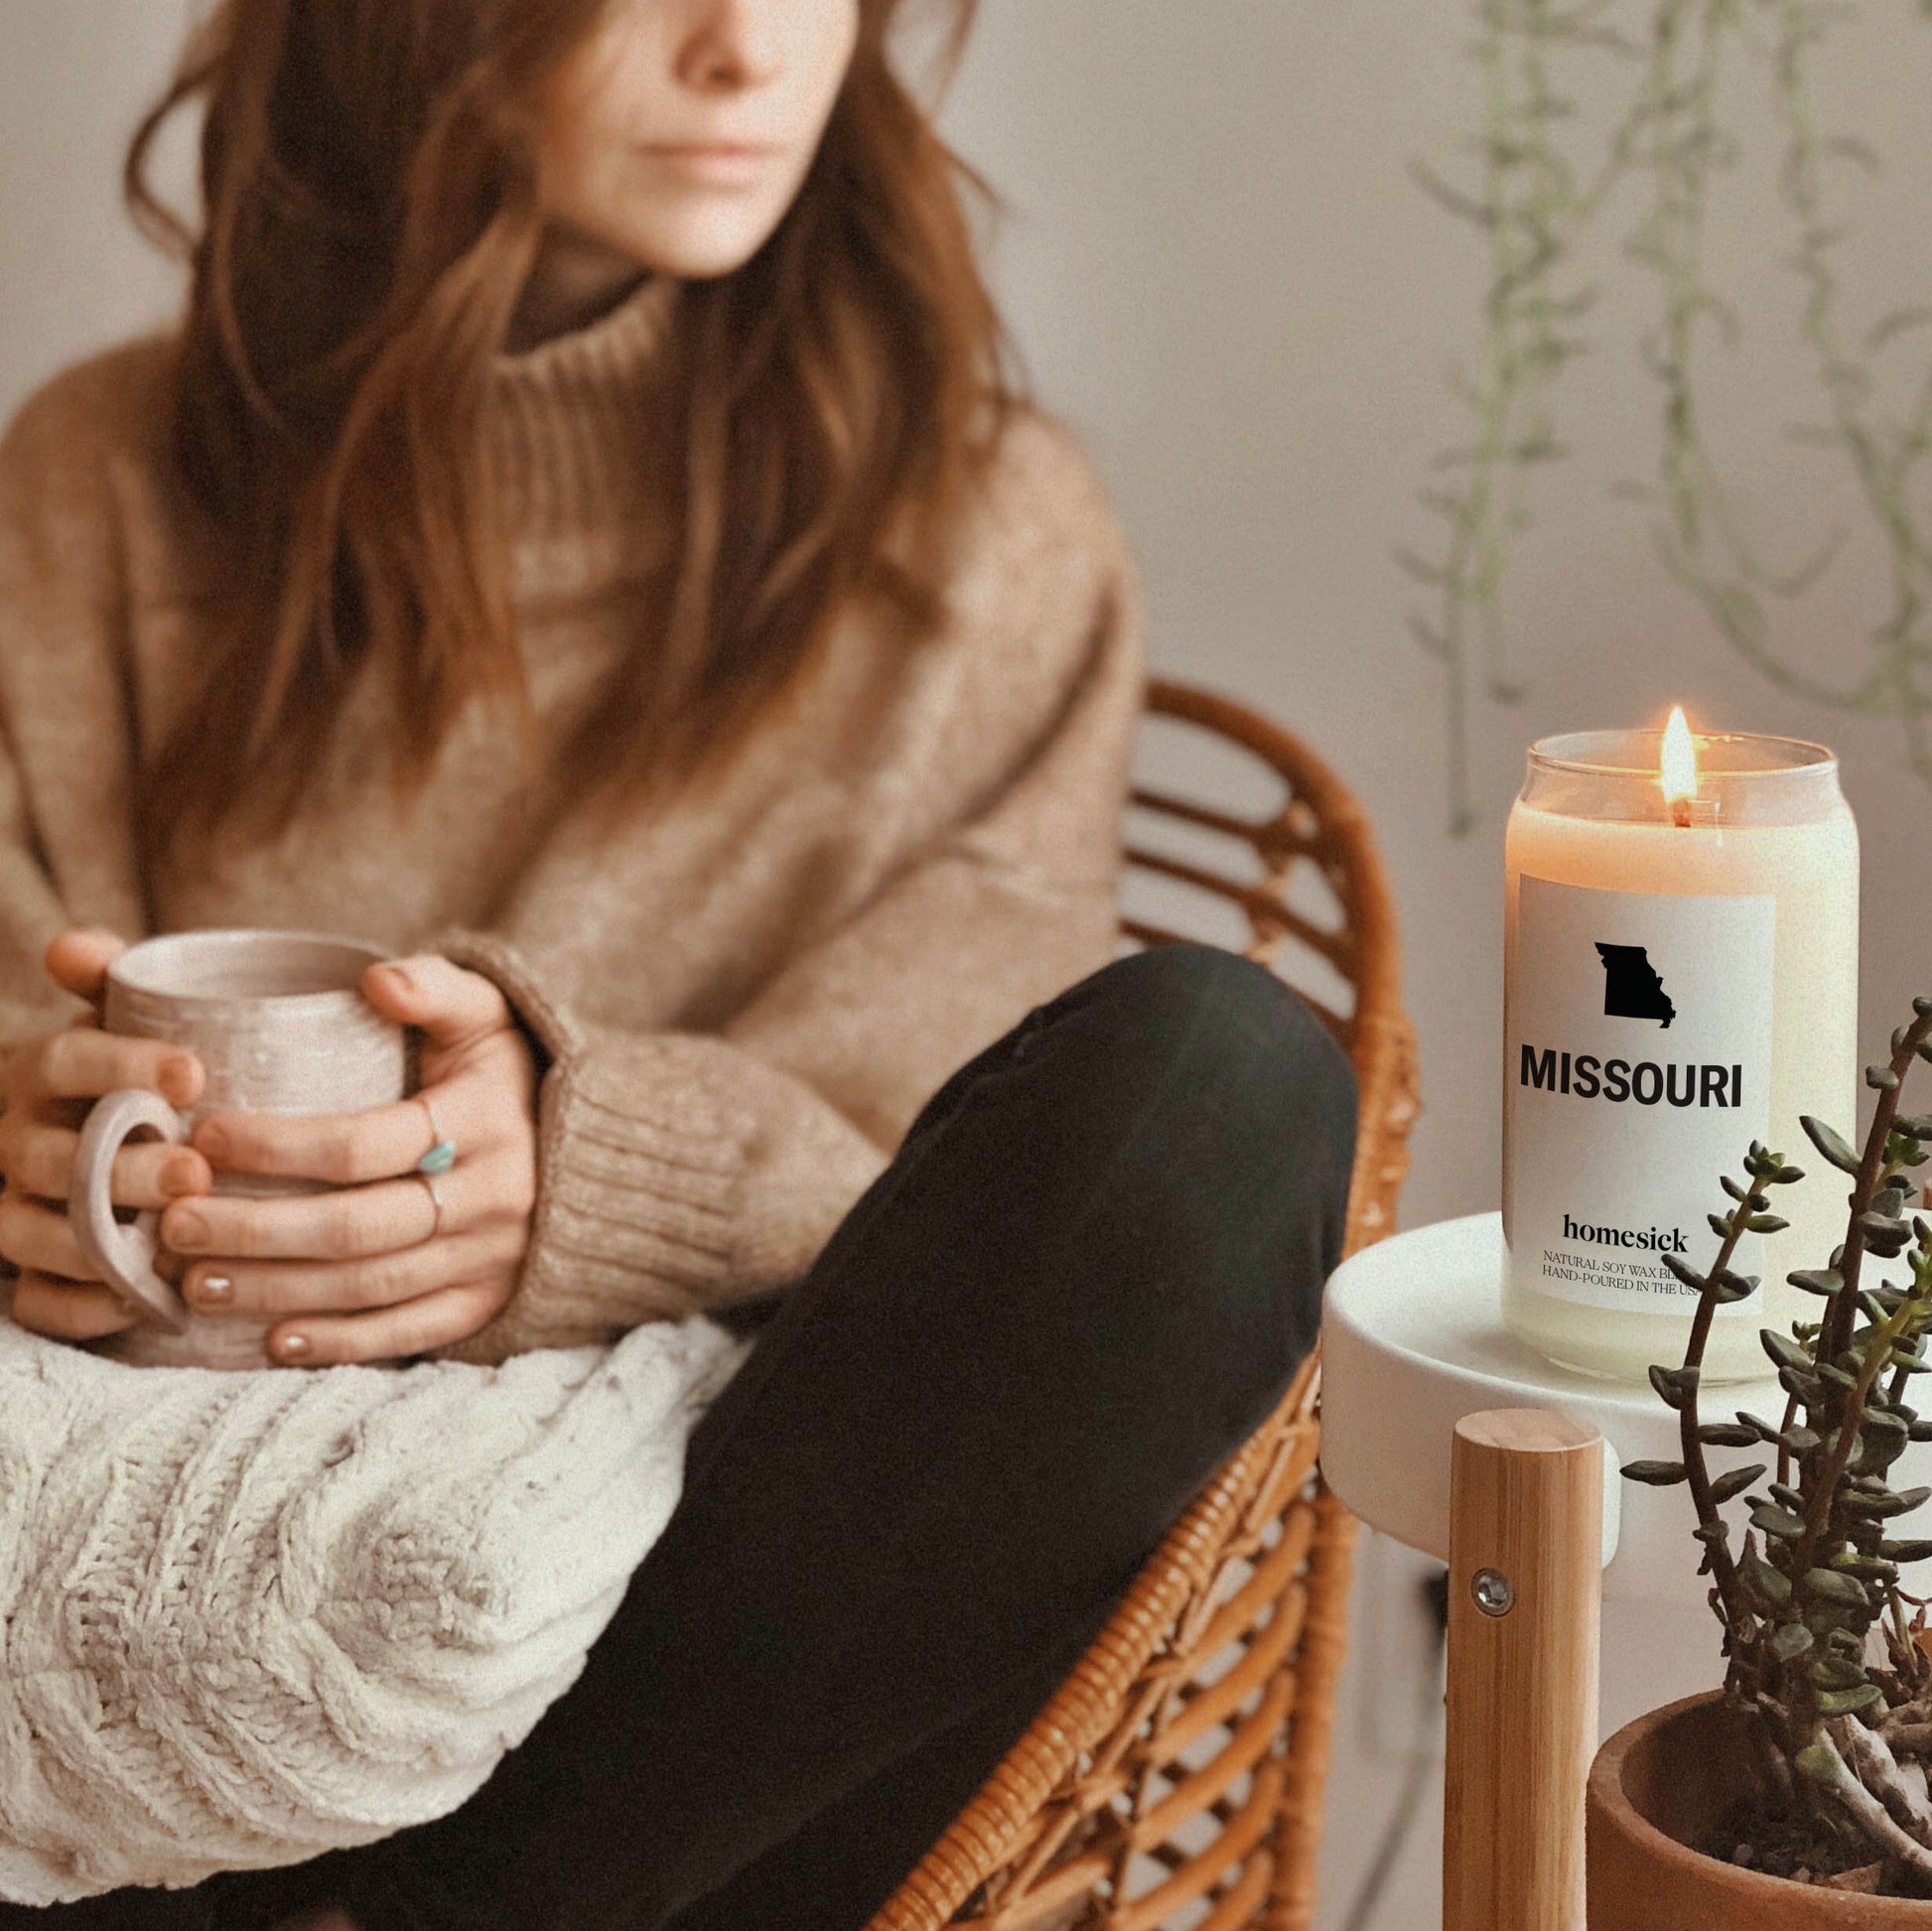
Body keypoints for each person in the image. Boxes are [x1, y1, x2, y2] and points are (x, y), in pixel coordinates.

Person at [0, 2, 1358, 1926]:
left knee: (1221, 1081)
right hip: (139, 1647)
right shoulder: (92, 483)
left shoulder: (984, 535)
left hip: (703, 1685)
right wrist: (47, 1162)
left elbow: (972, 1179)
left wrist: (590, 1164)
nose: (747, 50)